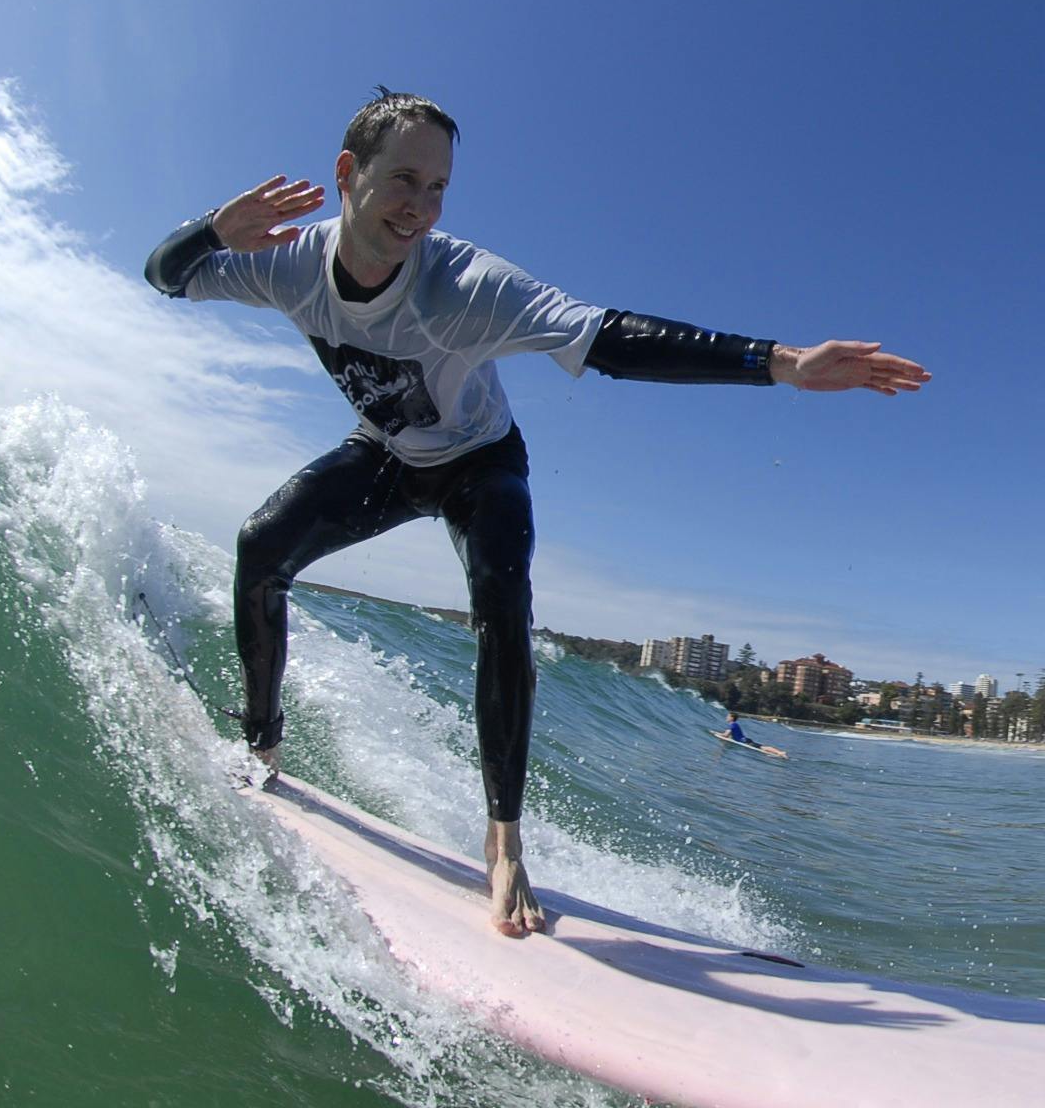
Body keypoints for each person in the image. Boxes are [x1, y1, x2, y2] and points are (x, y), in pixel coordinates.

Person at [145, 88, 928, 937]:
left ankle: (504, 840)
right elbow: (166, 276)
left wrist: (783, 364)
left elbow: (613, 340)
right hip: (383, 454)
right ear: (348, 173)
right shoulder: (291, 266)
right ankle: (261, 743)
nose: (422, 207)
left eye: (440, 188)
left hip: (481, 464)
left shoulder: (465, 285)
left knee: (501, 598)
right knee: (261, 548)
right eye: (405, 179)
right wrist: (216, 229)